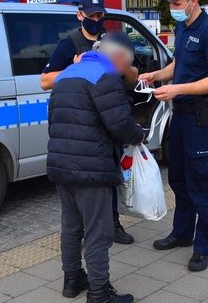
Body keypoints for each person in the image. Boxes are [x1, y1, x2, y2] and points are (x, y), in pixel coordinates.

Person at [47, 32, 146, 303]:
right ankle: (100, 293)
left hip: (60, 163)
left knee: (71, 226)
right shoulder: (106, 77)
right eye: (127, 65)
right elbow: (119, 124)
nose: (127, 71)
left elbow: (55, 118)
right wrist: (138, 134)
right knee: (97, 231)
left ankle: (72, 280)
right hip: (91, 166)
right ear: (118, 57)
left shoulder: (66, 74)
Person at [139, 0, 208, 272]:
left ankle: (204, 245)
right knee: (177, 176)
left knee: (200, 180)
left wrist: (177, 89)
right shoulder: (182, 24)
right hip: (180, 115)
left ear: (193, 1)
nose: (172, 7)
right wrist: (157, 76)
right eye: (170, 2)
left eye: (176, 2)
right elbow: (180, 64)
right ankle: (182, 233)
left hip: (200, 117)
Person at [41, 0, 137, 245]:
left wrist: (125, 67)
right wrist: (75, 66)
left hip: (109, 117)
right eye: (91, 15)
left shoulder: (112, 40)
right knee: (86, 185)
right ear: (79, 15)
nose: (96, 19)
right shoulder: (69, 44)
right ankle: (90, 231)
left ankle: (113, 223)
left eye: (99, 15)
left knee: (111, 174)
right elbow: (45, 81)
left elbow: (133, 75)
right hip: (83, 123)